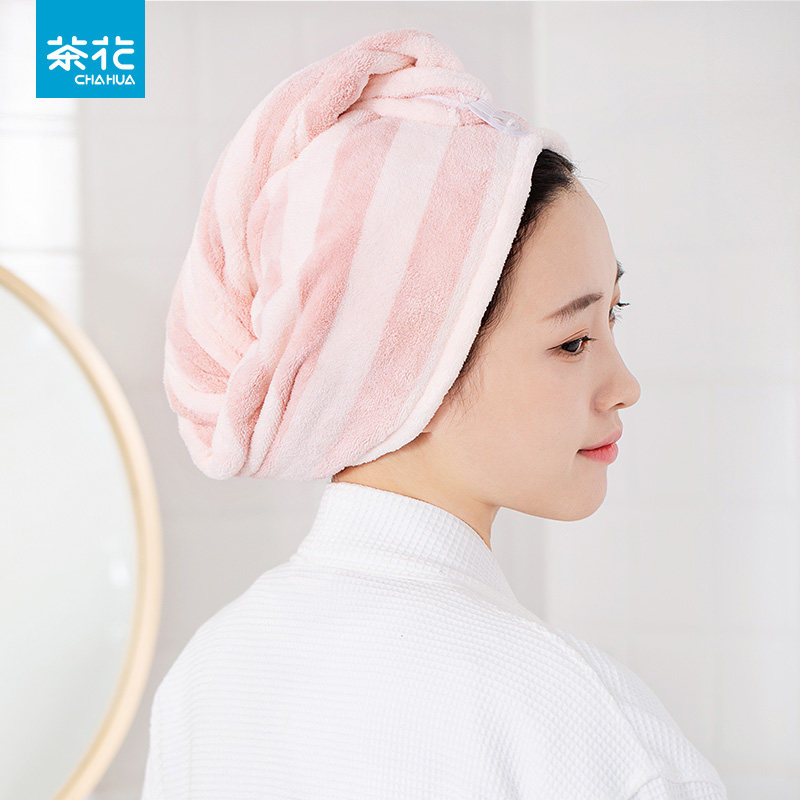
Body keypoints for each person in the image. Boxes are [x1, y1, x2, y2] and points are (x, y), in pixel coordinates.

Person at [148, 27, 729, 800]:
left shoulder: (205, 680)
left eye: (614, 317)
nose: (624, 385)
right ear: (406, 369)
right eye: (573, 341)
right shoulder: (585, 729)